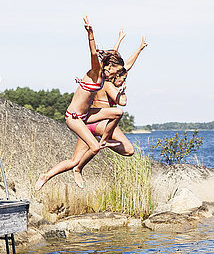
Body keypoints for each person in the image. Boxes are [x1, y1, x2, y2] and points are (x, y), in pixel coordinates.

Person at [34, 17, 125, 191]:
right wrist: (90, 33)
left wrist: (119, 40)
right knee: (92, 148)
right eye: (117, 70)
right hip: (74, 117)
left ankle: (104, 140)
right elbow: (93, 52)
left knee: (117, 113)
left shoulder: (105, 75)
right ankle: (57, 173)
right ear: (110, 66)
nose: (117, 74)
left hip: (87, 114)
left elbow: (112, 56)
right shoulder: (95, 71)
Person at [73, 32, 148, 184]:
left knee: (74, 161)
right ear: (114, 72)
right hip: (103, 123)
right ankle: (105, 142)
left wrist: (136, 47)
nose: (123, 78)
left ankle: (59, 173)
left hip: (87, 122)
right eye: (122, 77)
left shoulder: (100, 79)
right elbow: (122, 67)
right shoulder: (109, 85)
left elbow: (117, 62)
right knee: (129, 150)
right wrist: (123, 91)